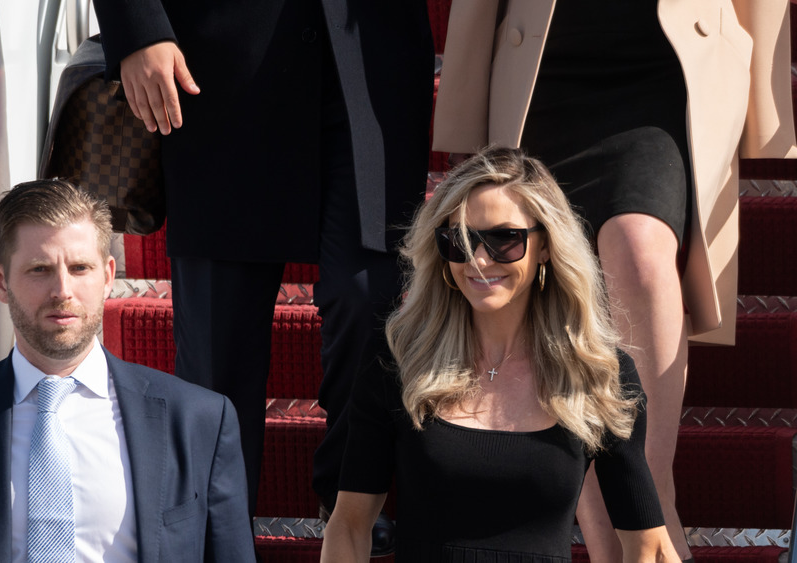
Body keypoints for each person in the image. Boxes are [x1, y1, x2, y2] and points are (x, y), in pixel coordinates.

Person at [431, 2, 797, 560]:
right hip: (543, 64)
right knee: (552, 288)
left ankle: (654, 498)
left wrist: (767, 109)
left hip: (668, 64)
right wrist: (465, 107)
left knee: (641, 251)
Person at [90, 0, 435, 552]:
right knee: (216, 344)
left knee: (369, 299)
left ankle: (352, 497)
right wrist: (135, 28)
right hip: (217, 72)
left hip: (373, 63)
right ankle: (217, 534)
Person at [321, 147, 679, 562]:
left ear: (546, 245)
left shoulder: (598, 373)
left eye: (504, 239)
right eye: (458, 240)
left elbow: (649, 547)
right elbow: (348, 526)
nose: (478, 259)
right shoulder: (401, 357)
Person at [0, 179, 255, 563]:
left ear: (108, 276)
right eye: (40, 269)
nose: (62, 290)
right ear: (0, 281)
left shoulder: (199, 419)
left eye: (80, 268)